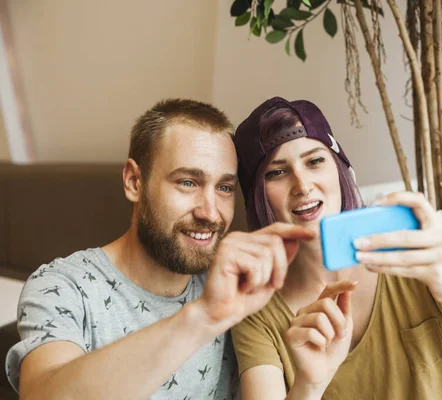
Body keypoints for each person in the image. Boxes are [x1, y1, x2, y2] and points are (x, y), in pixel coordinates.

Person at [231, 97, 442, 399]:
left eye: (315, 161)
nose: (302, 185)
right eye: (277, 172)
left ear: (341, 171)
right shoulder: (256, 310)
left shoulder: (408, 247)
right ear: (257, 197)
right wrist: (310, 385)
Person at [4, 98, 315, 400]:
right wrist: (204, 317)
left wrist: (310, 384)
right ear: (134, 182)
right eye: (188, 182)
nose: (209, 212)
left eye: (224, 188)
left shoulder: (237, 287)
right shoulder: (63, 287)